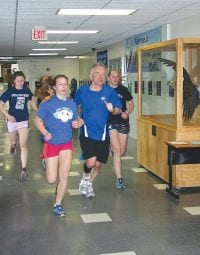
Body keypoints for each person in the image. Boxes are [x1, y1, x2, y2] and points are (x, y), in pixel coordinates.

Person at [34, 75, 82, 217]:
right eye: (60, 84)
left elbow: (76, 120)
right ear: (54, 87)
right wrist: (44, 132)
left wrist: (78, 123)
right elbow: (37, 120)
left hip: (66, 143)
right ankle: (46, 160)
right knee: (51, 180)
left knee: (64, 176)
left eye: (65, 84)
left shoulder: (71, 104)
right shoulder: (47, 104)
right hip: (51, 144)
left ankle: (58, 204)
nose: (63, 87)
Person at [74, 63, 122, 198]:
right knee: (91, 161)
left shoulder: (109, 92)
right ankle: (85, 177)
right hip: (87, 133)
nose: (101, 77)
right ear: (91, 76)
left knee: (98, 164)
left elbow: (118, 110)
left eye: (103, 74)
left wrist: (112, 109)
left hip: (103, 135)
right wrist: (78, 118)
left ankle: (88, 183)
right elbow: (73, 105)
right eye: (98, 73)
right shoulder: (82, 90)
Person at [0, 71, 37, 178]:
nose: (20, 83)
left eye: (22, 81)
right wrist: (8, 116)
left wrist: (38, 111)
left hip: (23, 121)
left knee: (23, 144)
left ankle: (24, 168)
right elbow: (1, 105)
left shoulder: (26, 90)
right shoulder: (10, 91)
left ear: (24, 80)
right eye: (18, 81)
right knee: (13, 142)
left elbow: (31, 102)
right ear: (14, 81)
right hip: (12, 121)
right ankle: (13, 145)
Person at [108, 69, 134, 189]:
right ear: (109, 77)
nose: (115, 78)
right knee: (117, 150)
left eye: (117, 76)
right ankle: (119, 179)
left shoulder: (123, 90)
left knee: (121, 151)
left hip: (123, 122)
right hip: (110, 122)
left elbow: (131, 104)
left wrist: (127, 112)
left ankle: (113, 150)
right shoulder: (105, 90)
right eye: (113, 76)